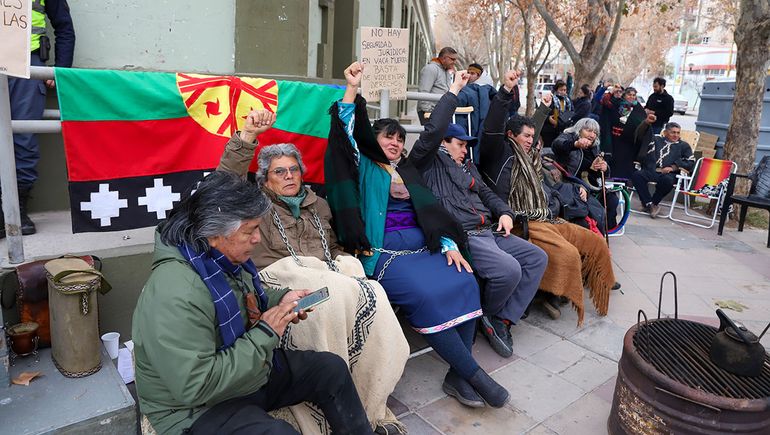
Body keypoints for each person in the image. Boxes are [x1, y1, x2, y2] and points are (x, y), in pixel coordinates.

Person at [326, 61, 510, 409]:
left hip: (427, 249)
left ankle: (457, 375)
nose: (395, 142)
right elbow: (346, 135)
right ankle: (476, 376)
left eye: (399, 138)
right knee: (428, 295)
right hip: (385, 256)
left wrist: (448, 243)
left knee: (466, 281)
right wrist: (351, 88)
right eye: (388, 136)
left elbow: (431, 211)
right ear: (372, 140)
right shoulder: (364, 168)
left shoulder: (410, 170)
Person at [132, 171, 372, 435]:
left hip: (243, 376)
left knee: (330, 370)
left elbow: (241, 297)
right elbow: (195, 385)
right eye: (250, 231)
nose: (257, 238)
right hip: (194, 408)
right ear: (215, 234)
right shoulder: (176, 291)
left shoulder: (214, 258)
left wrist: (281, 299)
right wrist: (266, 333)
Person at [216, 114, 410, 434]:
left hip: (325, 278)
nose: (289, 176)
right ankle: (327, 408)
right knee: (329, 303)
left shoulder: (318, 204)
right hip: (279, 282)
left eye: (294, 169)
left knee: (373, 291)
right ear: (265, 179)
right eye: (280, 171)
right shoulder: (252, 204)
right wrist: (247, 136)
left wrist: (345, 262)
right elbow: (223, 185)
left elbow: (331, 248)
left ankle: (372, 405)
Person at [409, 68, 546, 359]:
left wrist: (505, 212)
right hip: (466, 235)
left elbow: (486, 193)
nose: (465, 150)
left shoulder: (468, 167)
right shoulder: (428, 163)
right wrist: (454, 91)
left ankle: (501, 319)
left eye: (467, 145)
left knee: (537, 258)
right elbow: (432, 131)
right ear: (443, 143)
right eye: (460, 144)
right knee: (509, 270)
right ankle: (487, 314)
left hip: (491, 230)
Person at [481, 83, 616, 326]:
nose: (531, 141)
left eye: (533, 137)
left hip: (544, 215)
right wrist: (505, 92)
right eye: (526, 136)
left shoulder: (530, 159)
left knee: (594, 241)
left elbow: (548, 187)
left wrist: (543, 109)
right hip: (519, 221)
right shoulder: (498, 154)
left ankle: (596, 283)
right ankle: (552, 294)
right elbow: (491, 128)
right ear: (510, 135)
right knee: (568, 254)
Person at [1, 0, 75, 239]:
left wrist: (60, 69)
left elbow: (64, 26)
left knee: (23, 136)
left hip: (25, 63)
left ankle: (17, 209)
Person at [551, 117, 619, 230]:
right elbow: (557, 145)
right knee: (594, 208)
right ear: (579, 129)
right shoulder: (569, 137)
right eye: (588, 130)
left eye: (595, 133)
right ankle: (595, 231)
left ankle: (606, 229)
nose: (592, 135)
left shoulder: (594, 147)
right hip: (572, 183)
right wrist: (575, 144)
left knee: (612, 199)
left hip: (591, 185)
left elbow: (596, 173)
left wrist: (604, 168)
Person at [631, 121, 695, 218]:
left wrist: (673, 167)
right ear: (665, 133)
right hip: (653, 170)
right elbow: (641, 137)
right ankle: (649, 204)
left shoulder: (683, 146)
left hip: (669, 174)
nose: (676, 135)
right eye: (673, 132)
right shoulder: (656, 140)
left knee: (667, 181)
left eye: (678, 133)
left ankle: (653, 203)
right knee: (637, 175)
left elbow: (690, 162)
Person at [598, 86, 648, 179]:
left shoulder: (638, 108)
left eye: (633, 95)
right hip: (614, 140)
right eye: (629, 94)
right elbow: (605, 102)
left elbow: (642, 123)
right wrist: (612, 91)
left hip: (629, 142)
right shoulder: (617, 104)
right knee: (614, 162)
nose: (631, 97)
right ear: (624, 95)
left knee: (625, 166)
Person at [417, 47, 458, 125]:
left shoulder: (446, 71)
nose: (454, 62)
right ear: (444, 58)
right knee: (430, 133)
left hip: (439, 111)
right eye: (452, 59)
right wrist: (428, 111)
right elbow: (423, 91)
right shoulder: (430, 69)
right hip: (430, 112)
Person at [540, 80, 574, 149]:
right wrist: (549, 119)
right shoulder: (550, 99)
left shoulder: (568, 100)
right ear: (556, 90)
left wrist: (563, 122)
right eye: (561, 90)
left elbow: (571, 112)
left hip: (562, 130)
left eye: (565, 90)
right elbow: (542, 113)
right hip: (549, 131)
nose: (563, 92)